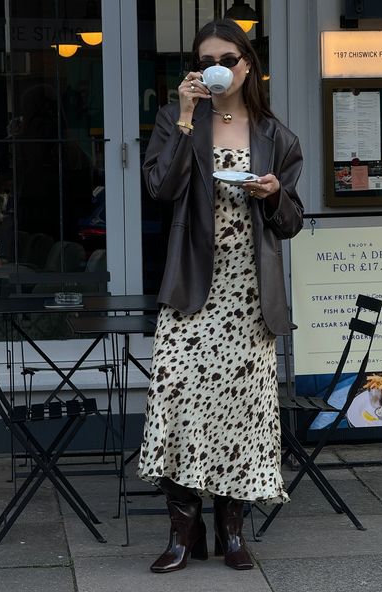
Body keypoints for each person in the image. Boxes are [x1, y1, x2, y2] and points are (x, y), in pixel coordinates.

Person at [138, 18, 304, 573]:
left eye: (228, 59)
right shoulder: (176, 118)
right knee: (179, 403)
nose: (218, 69)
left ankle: (232, 531)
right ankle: (184, 536)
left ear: (247, 64)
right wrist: (185, 118)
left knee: (239, 414)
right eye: (207, 59)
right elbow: (160, 189)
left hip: (248, 298)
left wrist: (276, 193)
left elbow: (291, 223)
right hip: (191, 288)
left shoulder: (275, 135)